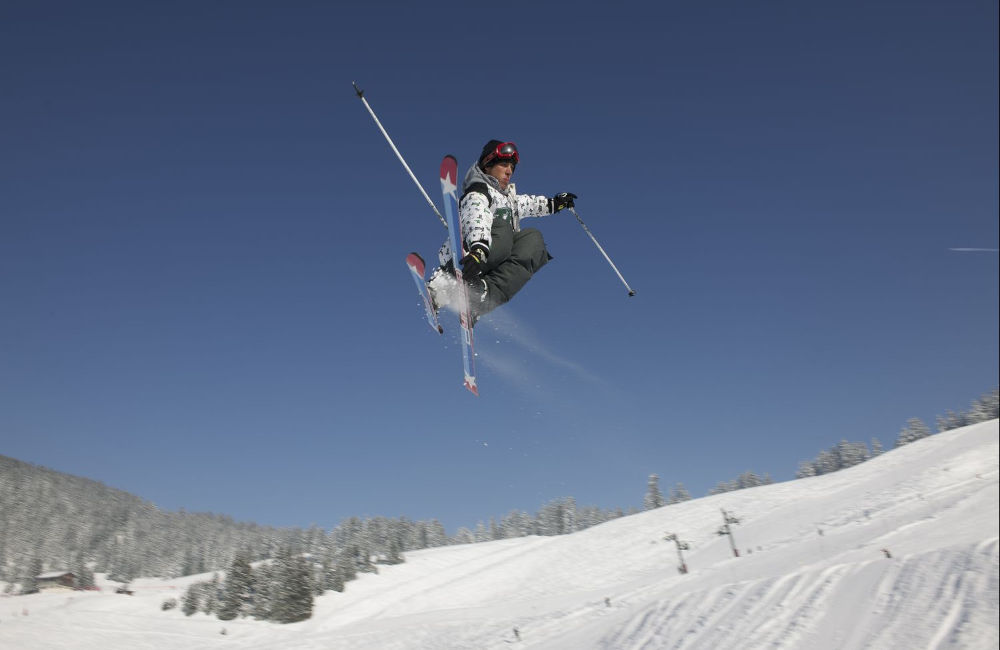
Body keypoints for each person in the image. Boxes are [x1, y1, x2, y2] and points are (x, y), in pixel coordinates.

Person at [427, 140, 576, 323]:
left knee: (533, 242)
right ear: (487, 165)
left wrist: (554, 204)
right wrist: (478, 250)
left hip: (487, 264)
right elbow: (477, 217)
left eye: (512, 167)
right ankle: (444, 282)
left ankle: (480, 298)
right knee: (504, 230)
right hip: (468, 256)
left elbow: (529, 204)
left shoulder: (509, 200)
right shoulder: (478, 192)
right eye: (504, 164)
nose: (509, 171)